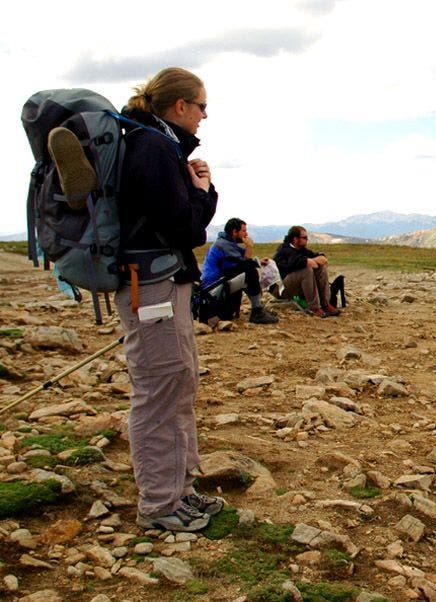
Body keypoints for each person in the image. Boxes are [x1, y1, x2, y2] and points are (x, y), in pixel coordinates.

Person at [114, 67, 223, 531]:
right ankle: (160, 504)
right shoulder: (154, 147)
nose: (204, 116)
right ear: (179, 106)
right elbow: (186, 228)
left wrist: (198, 191)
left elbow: (177, 222)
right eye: (201, 106)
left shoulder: (155, 144)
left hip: (158, 281)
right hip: (151, 284)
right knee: (161, 389)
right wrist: (204, 192)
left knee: (178, 382)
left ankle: (181, 490)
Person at [201, 217, 278, 324]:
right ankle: (257, 311)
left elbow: (240, 259)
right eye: (244, 231)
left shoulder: (226, 243)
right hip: (214, 287)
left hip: (217, 283)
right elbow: (243, 265)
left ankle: (258, 307)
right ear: (234, 232)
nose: (246, 234)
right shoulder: (224, 245)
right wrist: (249, 247)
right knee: (250, 273)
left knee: (247, 272)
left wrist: (258, 262)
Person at [272, 226, 340, 317]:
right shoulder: (285, 250)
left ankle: (325, 304)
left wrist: (315, 260)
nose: (307, 240)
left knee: (321, 268)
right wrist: (313, 261)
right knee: (306, 270)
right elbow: (309, 263)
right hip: (280, 289)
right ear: (295, 239)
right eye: (304, 238)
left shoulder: (301, 249)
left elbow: (323, 260)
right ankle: (313, 307)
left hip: (292, 286)